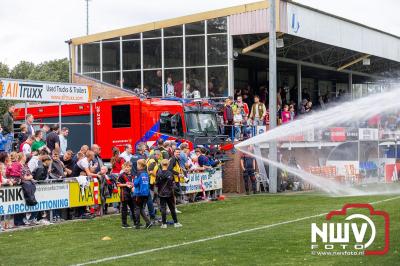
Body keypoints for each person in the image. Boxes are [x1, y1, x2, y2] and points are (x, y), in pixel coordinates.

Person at [156, 159, 182, 228]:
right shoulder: (170, 173)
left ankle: (164, 224)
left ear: (161, 164)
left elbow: (156, 183)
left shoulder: (159, 173)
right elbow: (172, 184)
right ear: (168, 164)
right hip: (170, 193)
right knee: (172, 208)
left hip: (161, 193)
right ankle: (176, 222)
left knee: (163, 208)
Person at [133, 159, 152, 229]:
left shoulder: (138, 173)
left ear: (140, 165)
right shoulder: (146, 173)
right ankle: (148, 222)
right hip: (146, 193)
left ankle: (137, 224)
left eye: (137, 164)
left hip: (139, 193)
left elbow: (135, 183)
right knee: (141, 208)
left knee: (137, 208)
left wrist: (134, 180)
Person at [118, 161, 136, 228]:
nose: (126, 168)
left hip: (131, 194)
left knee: (133, 208)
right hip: (124, 194)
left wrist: (133, 186)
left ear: (130, 168)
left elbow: (134, 183)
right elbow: (118, 184)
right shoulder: (122, 175)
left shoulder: (132, 175)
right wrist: (126, 184)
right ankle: (124, 224)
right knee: (124, 209)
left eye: (128, 167)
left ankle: (136, 222)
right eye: (125, 167)